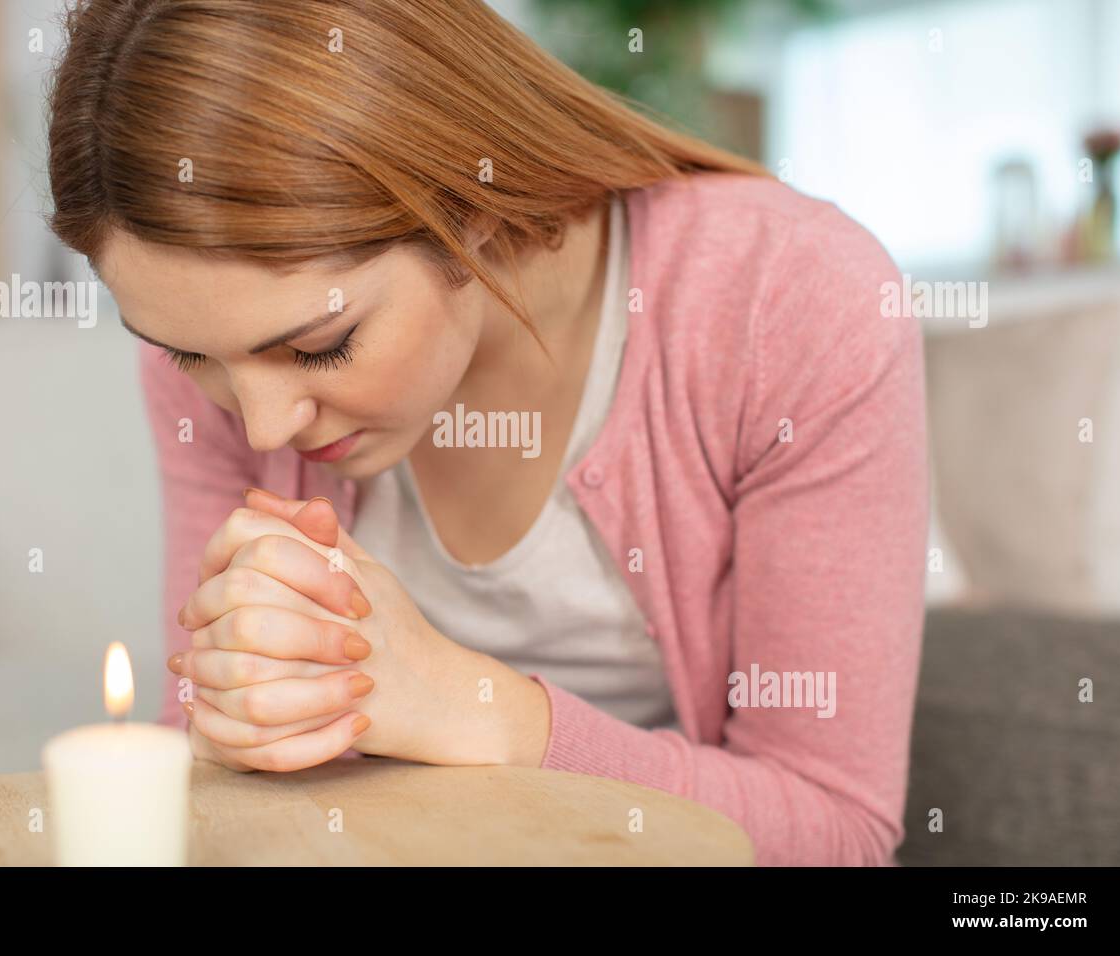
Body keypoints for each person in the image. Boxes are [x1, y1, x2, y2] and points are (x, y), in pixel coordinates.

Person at [46, 0, 928, 866]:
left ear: (476, 203)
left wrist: (481, 713)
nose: (264, 423)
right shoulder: (219, 365)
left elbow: (837, 833)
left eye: (321, 345)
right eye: (190, 354)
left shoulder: (794, 299)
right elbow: (197, 752)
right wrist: (230, 718)